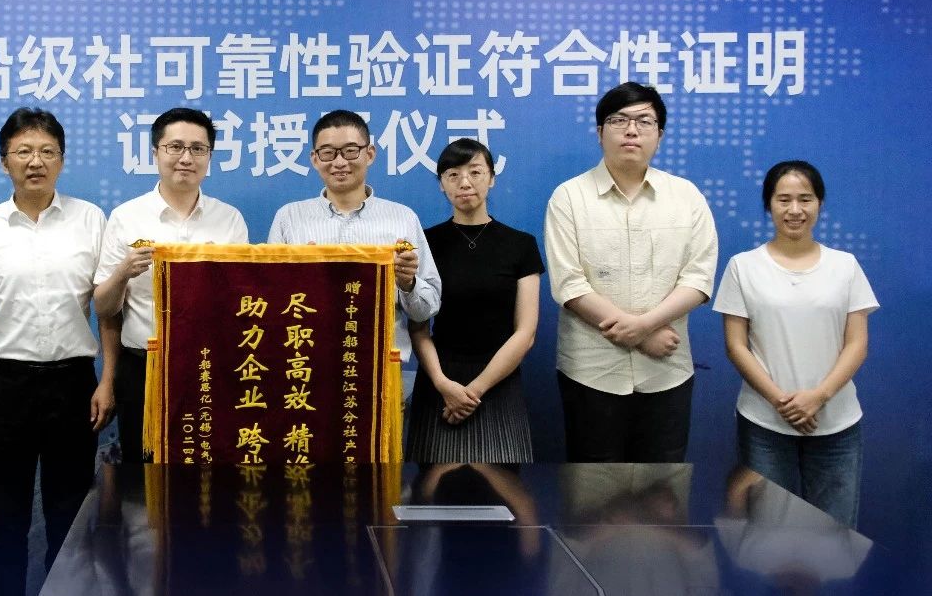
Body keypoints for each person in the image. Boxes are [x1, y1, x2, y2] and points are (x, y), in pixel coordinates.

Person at [0, 108, 108, 596]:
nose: (35, 161)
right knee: (7, 521)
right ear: (5, 161)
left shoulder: (91, 219)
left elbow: (108, 309)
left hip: (74, 386)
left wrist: (107, 381)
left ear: (62, 159)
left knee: (71, 521)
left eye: (46, 151)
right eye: (23, 151)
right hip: (7, 388)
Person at [544, 82, 718, 463]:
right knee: (594, 488)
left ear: (660, 134)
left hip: (667, 372)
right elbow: (569, 284)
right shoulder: (569, 197)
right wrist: (642, 335)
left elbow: (699, 277)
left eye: (644, 121)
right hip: (591, 372)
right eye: (619, 120)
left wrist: (644, 326)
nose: (631, 130)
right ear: (600, 132)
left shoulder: (686, 197)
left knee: (663, 489)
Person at [712, 160, 877, 527]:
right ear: (768, 204)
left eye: (805, 199)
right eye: (783, 199)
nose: (795, 210)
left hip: (837, 423)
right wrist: (780, 401)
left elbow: (857, 344)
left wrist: (818, 396)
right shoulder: (743, 266)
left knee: (834, 537)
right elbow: (736, 346)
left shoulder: (845, 266)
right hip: (765, 423)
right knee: (768, 534)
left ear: (820, 203)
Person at [94, 107, 248, 462]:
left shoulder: (229, 220)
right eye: (175, 147)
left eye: (198, 149)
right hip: (143, 369)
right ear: (156, 153)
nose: (186, 158)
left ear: (209, 156)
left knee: (209, 471)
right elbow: (103, 307)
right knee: (143, 474)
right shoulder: (126, 217)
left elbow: (242, 304)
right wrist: (123, 272)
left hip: (211, 368)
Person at [267, 109, 440, 368]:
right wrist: (297, 279)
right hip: (306, 363)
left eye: (350, 151)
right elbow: (269, 303)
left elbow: (428, 308)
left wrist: (408, 284)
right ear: (314, 159)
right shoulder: (289, 218)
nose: (339, 162)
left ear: (369, 154)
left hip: (381, 369)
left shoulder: (403, 218)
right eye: (328, 152)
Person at [406, 138, 542, 463]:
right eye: (453, 175)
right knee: (431, 486)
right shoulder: (425, 243)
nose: (465, 182)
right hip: (439, 381)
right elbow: (418, 327)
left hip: (499, 378)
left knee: (504, 485)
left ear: (491, 178)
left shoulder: (521, 245)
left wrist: (475, 390)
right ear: (441, 184)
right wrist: (444, 384)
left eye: (475, 172)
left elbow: (526, 332)